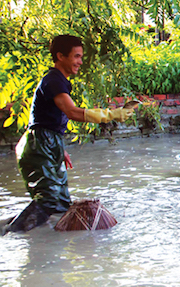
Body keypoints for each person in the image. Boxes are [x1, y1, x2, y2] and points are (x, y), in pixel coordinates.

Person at [3, 35, 136, 233]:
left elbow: (49, 121)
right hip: (39, 145)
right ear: (60, 56)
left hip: (47, 144)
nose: (80, 62)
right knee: (48, 200)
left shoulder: (58, 81)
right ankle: (9, 235)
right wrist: (112, 114)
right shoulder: (53, 81)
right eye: (76, 56)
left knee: (61, 203)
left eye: (81, 57)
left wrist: (59, 149)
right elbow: (72, 112)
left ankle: (38, 242)